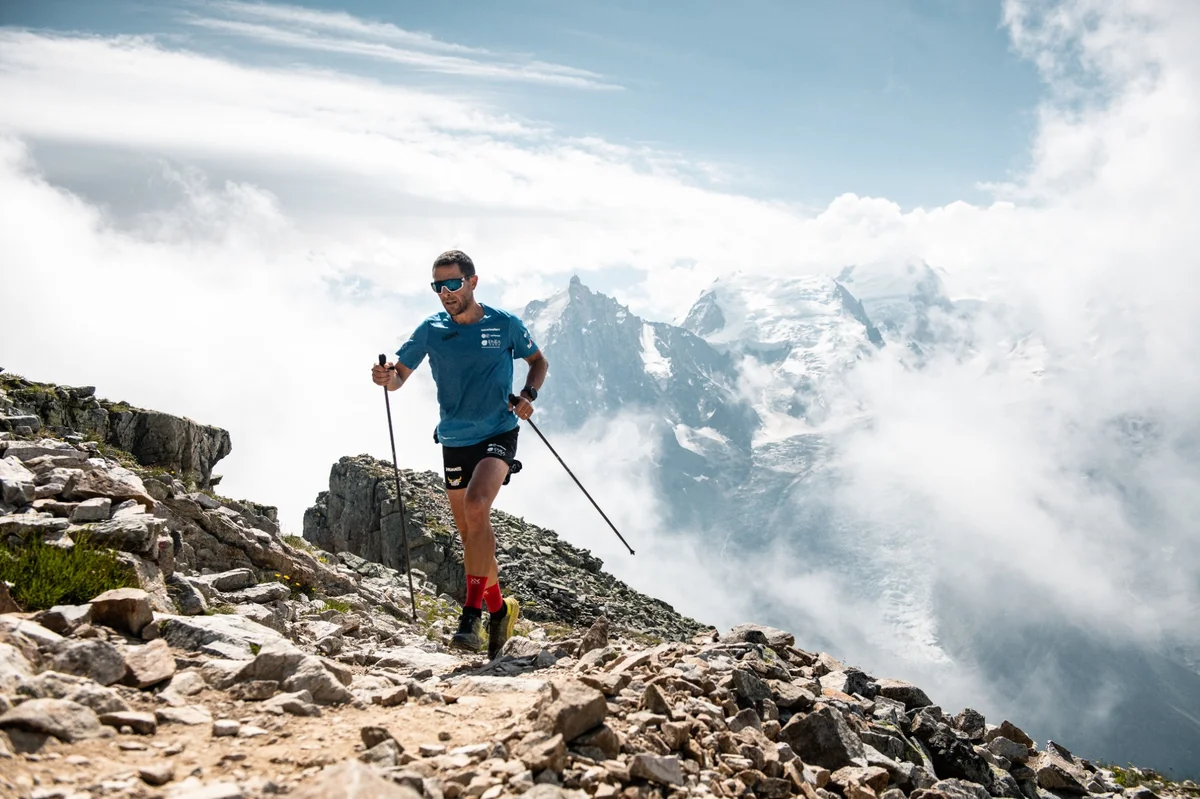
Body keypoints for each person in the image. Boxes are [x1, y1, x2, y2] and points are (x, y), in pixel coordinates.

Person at [371, 250, 548, 659]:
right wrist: (385, 378)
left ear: (472, 282)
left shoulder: (503, 324)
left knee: (476, 504)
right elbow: (399, 376)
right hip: (454, 437)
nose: (445, 293)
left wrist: (528, 395)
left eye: (452, 284)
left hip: (498, 431)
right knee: (471, 534)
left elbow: (538, 361)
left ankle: (470, 617)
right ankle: (501, 610)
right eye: (438, 286)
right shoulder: (431, 330)